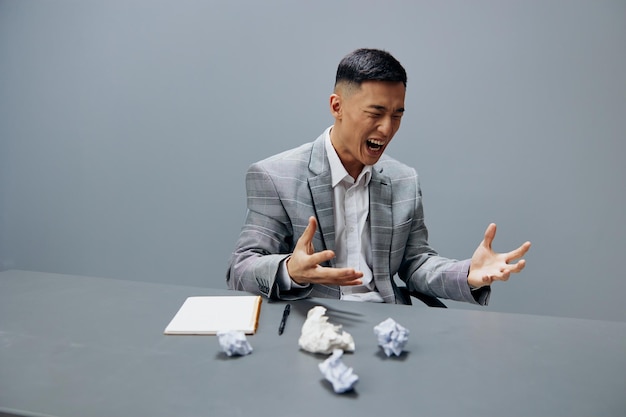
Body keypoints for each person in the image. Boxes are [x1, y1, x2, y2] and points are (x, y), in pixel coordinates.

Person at [226, 48, 531, 306]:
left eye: (397, 114)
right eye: (376, 113)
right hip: (314, 322)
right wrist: (290, 270)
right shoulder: (276, 176)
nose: (387, 128)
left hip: (389, 321)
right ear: (337, 107)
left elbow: (416, 264)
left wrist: (466, 274)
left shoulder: (403, 180)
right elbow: (241, 270)